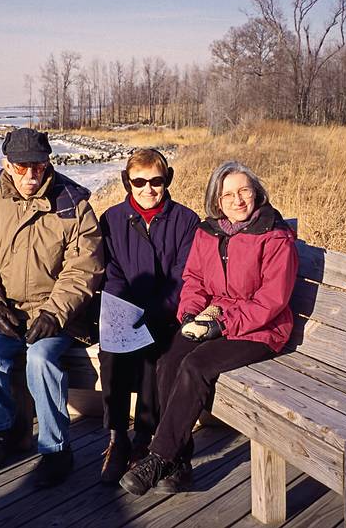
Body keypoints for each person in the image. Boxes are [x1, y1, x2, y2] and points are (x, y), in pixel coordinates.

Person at [119, 161, 299, 495]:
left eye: (244, 190)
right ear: (216, 200)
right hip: (211, 319)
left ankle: (159, 458)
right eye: (228, 193)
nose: (238, 200)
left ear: (257, 192)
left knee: (196, 365)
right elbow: (195, 280)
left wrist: (222, 324)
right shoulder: (208, 231)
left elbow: (272, 300)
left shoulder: (275, 235)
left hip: (261, 330)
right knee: (168, 360)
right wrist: (189, 315)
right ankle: (180, 463)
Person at [0, 128, 104, 488]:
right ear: (6, 164)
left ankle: (56, 450)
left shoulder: (74, 205)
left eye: (38, 167)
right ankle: (2, 434)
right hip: (7, 312)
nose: (30, 176)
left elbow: (84, 267)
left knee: (40, 360)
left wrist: (55, 313)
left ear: (47, 163)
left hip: (59, 316)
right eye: (21, 167)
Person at [98, 149, 199, 484]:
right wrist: (122, 309)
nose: (148, 189)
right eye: (139, 181)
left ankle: (144, 439)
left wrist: (155, 312)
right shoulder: (113, 219)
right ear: (128, 182)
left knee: (155, 353)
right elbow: (112, 271)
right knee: (111, 352)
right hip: (125, 309)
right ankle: (117, 438)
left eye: (156, 181)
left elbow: (183, 275)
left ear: (166, 179)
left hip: (166, 312)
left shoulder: (185, 220)